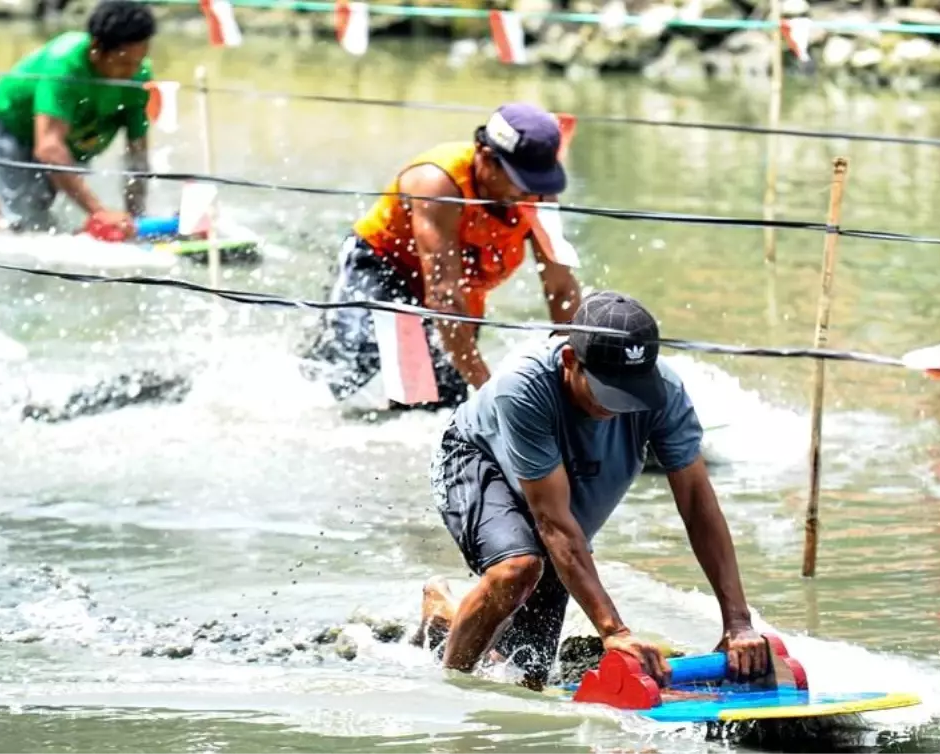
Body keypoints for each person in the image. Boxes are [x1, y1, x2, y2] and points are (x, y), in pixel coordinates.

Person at [414, 290, 768, 691]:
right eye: (608, 391)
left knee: (524, 674)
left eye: (633, 391)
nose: (619, 407)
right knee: (518, 568)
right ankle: (450, 687)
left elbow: (698, 504)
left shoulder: (665, 392)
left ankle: (445, 613)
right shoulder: (523, 387)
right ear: (570, 361)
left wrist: (737, 621)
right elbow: (554, 525)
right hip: (475, 458)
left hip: (557, 490)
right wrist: (614, 630)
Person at [298, 102, 582, 411]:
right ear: (485, 158)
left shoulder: (538, 195)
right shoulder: (438, 183)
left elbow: (561, 289)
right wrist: (491, 394)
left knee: (440, 404)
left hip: (461, 292)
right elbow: (444, 298)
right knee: (343, 371)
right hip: (384, 268)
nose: (529, 195)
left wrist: (572, 372)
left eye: (538, 183)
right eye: (522, 182)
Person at [0, 0, 156, 238]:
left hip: (69, 137)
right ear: (96, 47)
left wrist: (136, 219)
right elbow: (49, 148)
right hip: (10, 125)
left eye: (138, 62)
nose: (132, 72)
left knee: (42, 200)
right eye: (123, 63)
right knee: (32, 229)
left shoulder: (139, 76)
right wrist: (100, 213)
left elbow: (137, 156)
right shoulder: (65, 65)